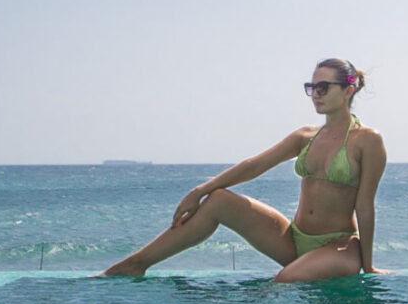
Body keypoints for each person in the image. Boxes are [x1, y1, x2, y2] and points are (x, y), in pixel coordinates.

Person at [103, 58, 387, 282]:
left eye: (324, 87)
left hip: (339, 247)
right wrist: (200, 190)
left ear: (348, 90)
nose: (316, 94)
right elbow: (255, 165)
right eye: (311, 88)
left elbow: (364, 206)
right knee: (219, 200)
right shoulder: (305, 137)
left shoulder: (368, 141)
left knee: (287, 279)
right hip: (294, 239)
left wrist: (368, 264)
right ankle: (136, 264)